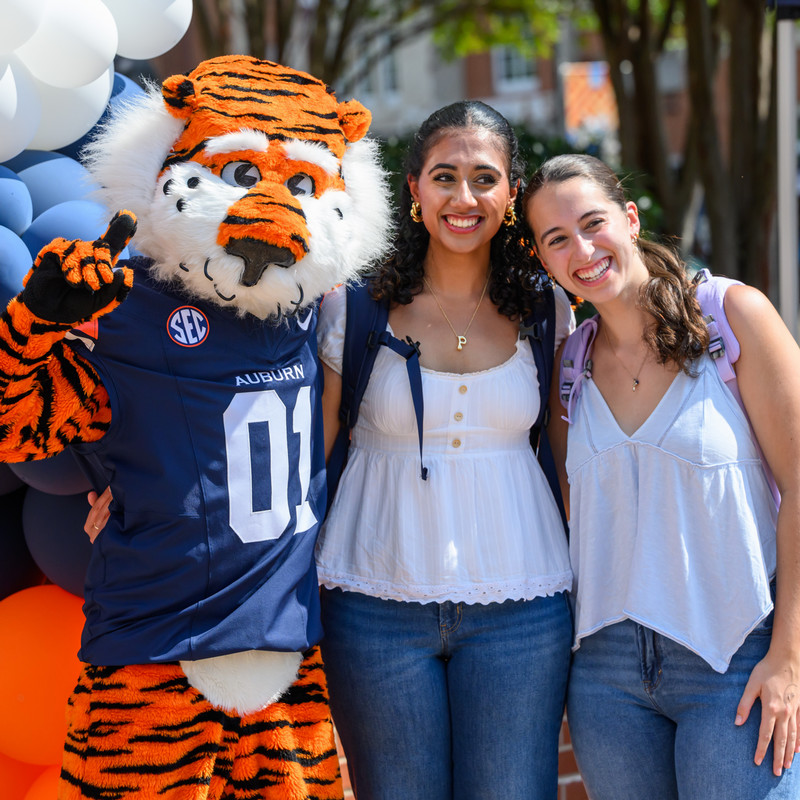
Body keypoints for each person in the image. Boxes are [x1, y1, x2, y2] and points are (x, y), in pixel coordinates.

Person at [315, 101, 574, 800]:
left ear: (511, 195)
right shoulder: (353, 307)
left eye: (485, 178)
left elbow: (569, 457)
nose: (465, 197)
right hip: (372, 602)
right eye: (445, 176)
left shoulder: (547, 309)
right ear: (415, 189)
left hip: (524, 606)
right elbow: (306, 458)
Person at [522, 153, 800, 799]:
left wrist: (789, 656)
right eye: (556, 239)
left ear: (629, 218)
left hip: (736, 656)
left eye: (593, 223)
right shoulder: (570, 364)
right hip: (607, 675)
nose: (582, 250)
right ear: (541, 258)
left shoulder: (731, 315)